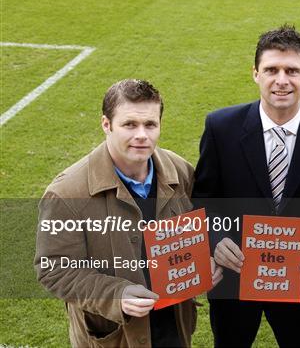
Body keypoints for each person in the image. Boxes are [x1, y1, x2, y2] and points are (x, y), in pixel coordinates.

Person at [192, 25, 300, 347]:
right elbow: (203, 202)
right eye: (271, 69)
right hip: (233, 280)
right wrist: (214, 239)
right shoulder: (220, 127)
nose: (282, 80)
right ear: (255, 73)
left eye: (292, 70)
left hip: (299, 280)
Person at [34, 79, 222, 347]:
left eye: (150, 124)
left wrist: (208, 259)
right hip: (116, 335)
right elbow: (53, 268)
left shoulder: (181, 171)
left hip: (173, 325)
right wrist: (116, 295)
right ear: (106, 125)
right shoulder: (65, 193)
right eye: (129, 124)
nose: (142, 135)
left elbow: (203, 225)